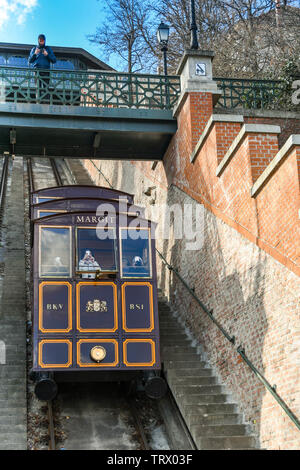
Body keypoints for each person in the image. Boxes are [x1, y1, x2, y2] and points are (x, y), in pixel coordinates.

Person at [28, 34, 56, 101]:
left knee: (46, 88)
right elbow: (30, 60)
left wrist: (47, 55)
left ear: (44, 41)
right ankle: (38, 102)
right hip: (37, 71)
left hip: (46, 71)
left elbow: (54, 60)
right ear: (38, 40)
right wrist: (35, 54)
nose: (41, 41)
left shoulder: (48, 48)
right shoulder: (34, 49)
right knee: (38, 88)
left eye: (42, 40)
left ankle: (47, 103)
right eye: (40, 40)